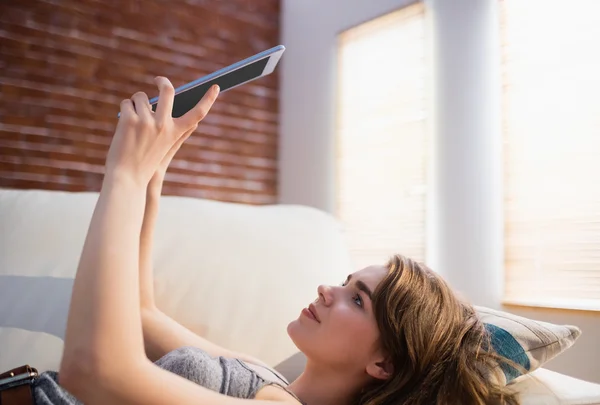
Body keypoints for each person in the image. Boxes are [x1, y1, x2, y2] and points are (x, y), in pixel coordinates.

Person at [1, 78, 519, 405]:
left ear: (382, 364)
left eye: (356, 300)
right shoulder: (268, 377)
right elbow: (140, 313)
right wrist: (154, 176)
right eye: (345, 282)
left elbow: (97, 373)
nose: (326, 290)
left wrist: (124, 177)